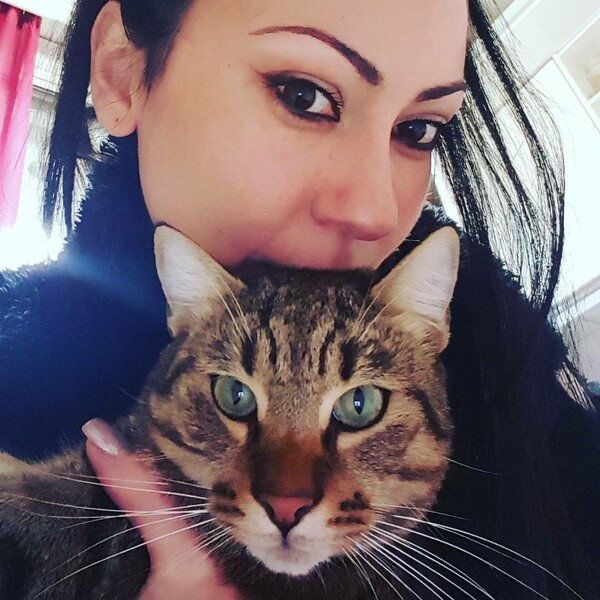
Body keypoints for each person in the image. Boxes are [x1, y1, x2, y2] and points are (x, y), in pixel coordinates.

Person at [1, 0, 599, 598]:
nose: (374, 210)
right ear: (119, 69)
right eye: (304, 95)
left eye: (418, 130)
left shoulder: (541, 410)